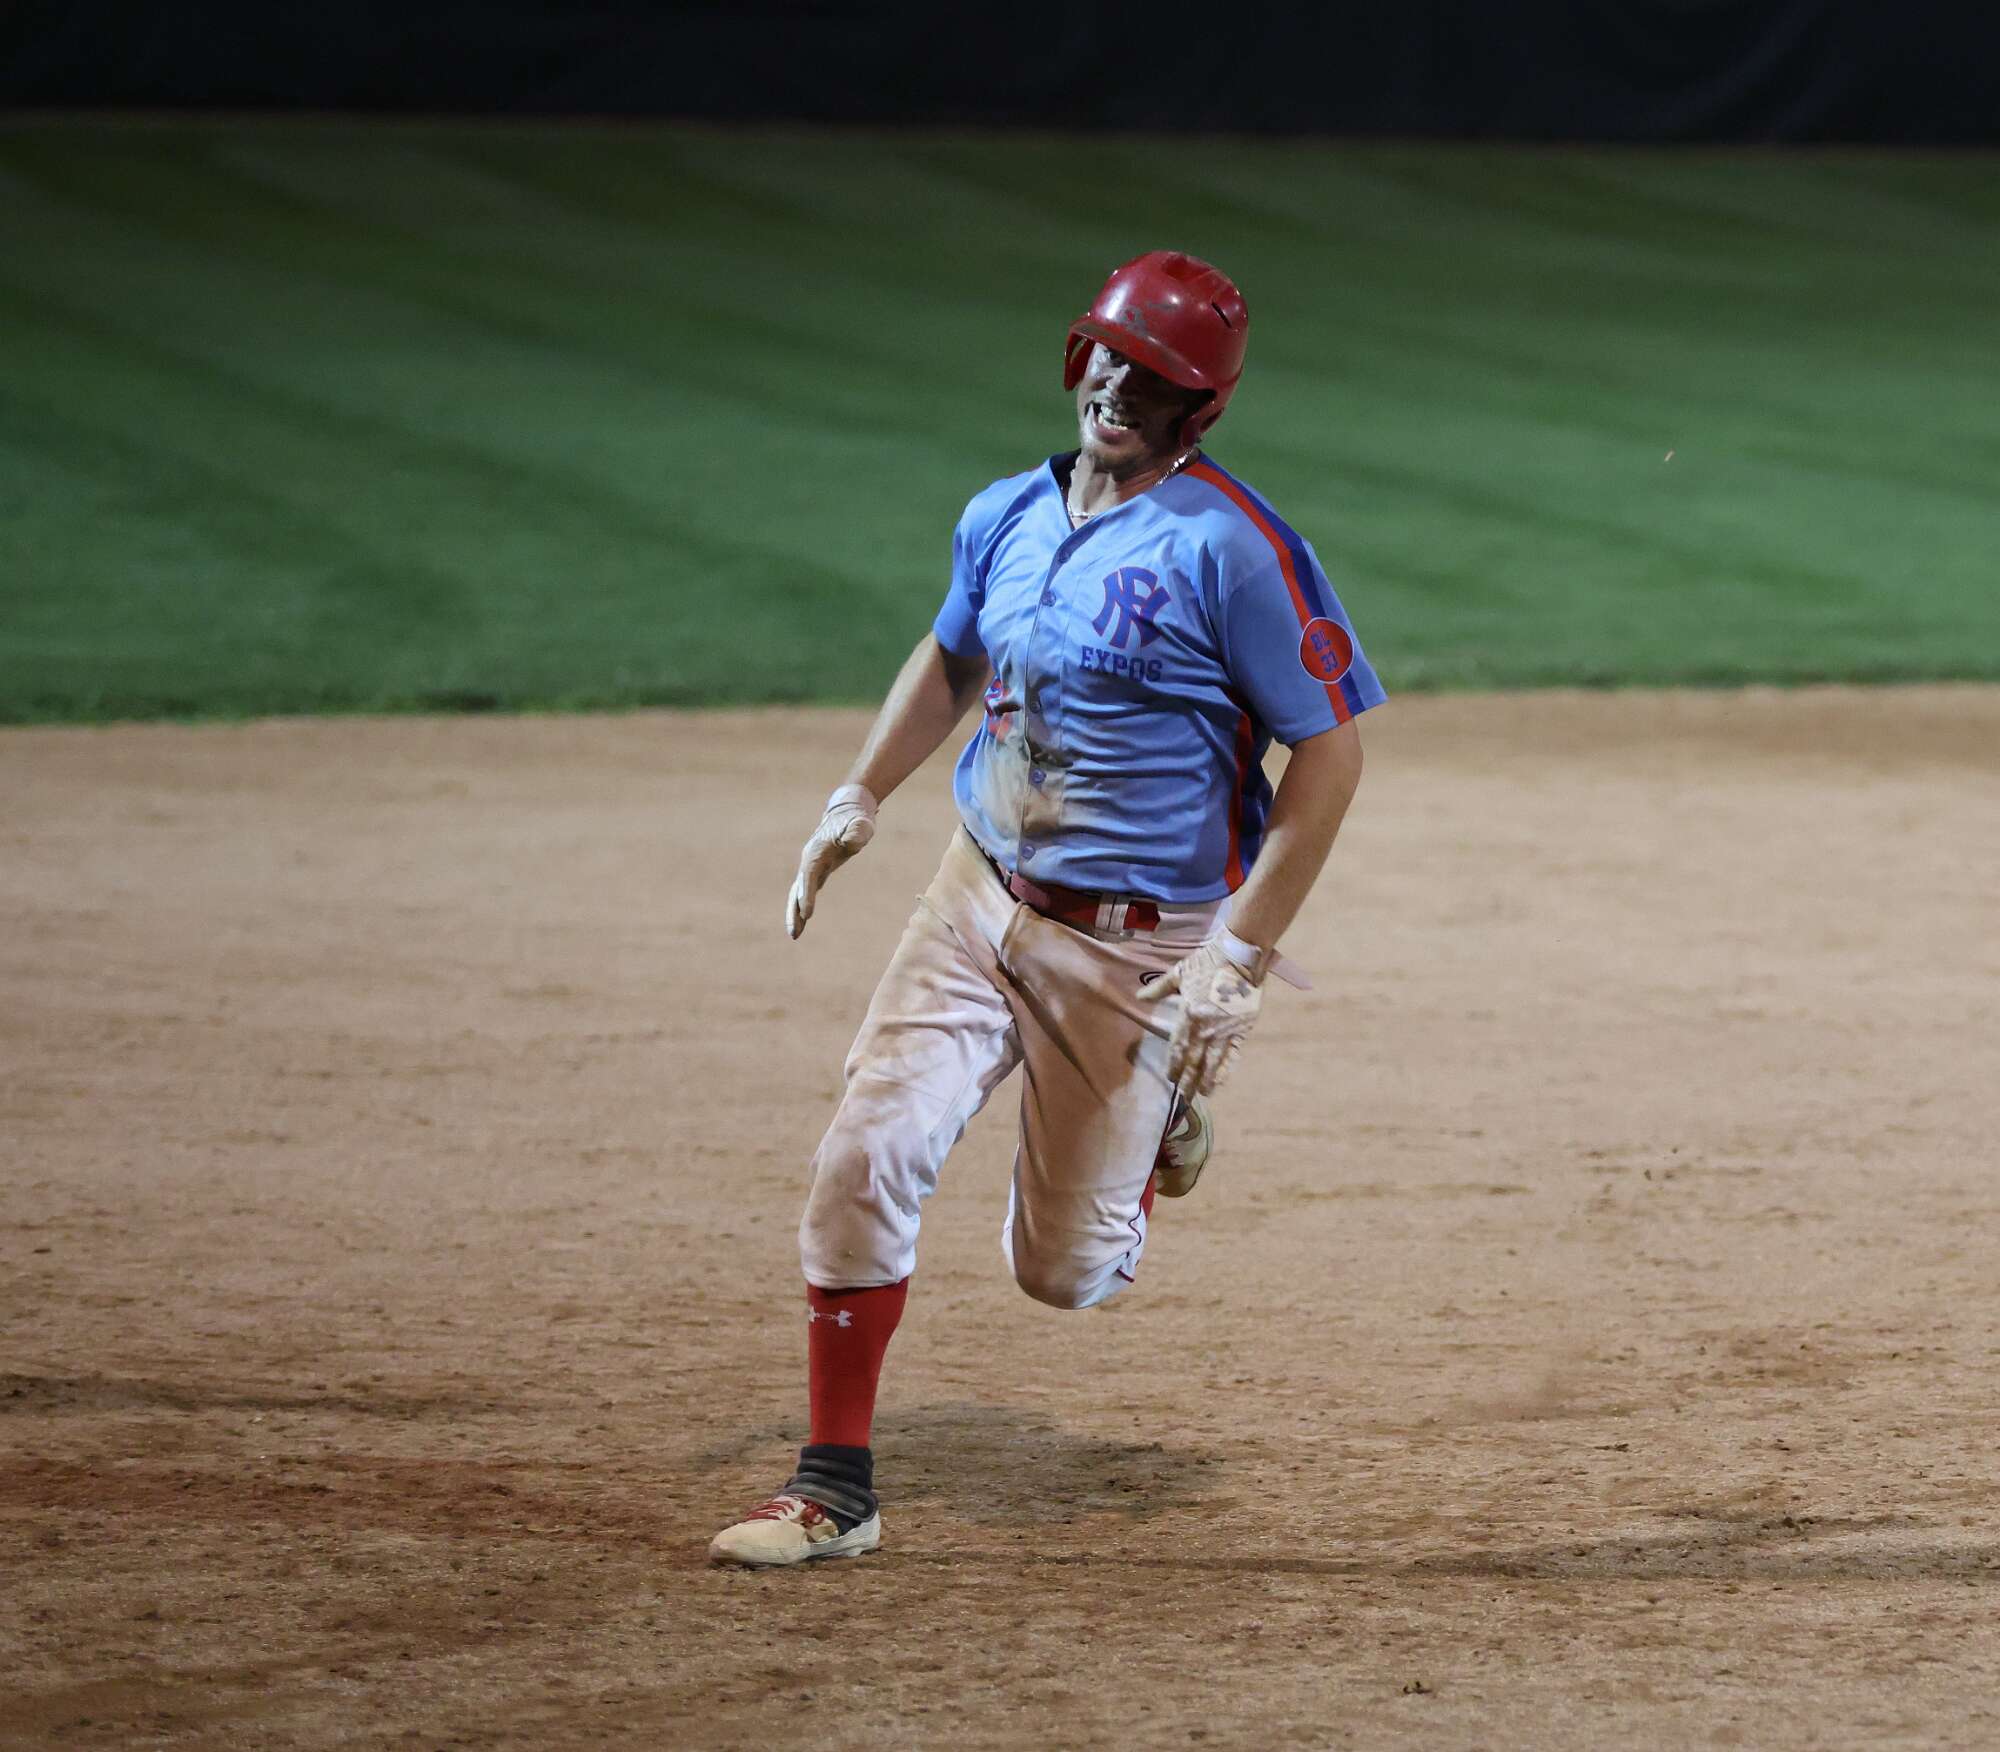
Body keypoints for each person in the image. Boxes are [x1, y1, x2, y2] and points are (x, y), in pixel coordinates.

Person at [709, 250, 1386, 1566]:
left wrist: (1239, 955)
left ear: (1202, 408)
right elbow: (954, 653)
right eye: (1110, 358)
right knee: (866, 1152)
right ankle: (834, 1488)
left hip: (1134, 949)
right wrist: (859, 794)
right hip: (974, 895)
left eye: (1159, 379)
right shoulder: (1006, 512)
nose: (1120, 389)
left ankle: (1159, 1125)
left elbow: (1333, 751)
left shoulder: (1236, 551)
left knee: (1063, 1274)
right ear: (1081, 355)